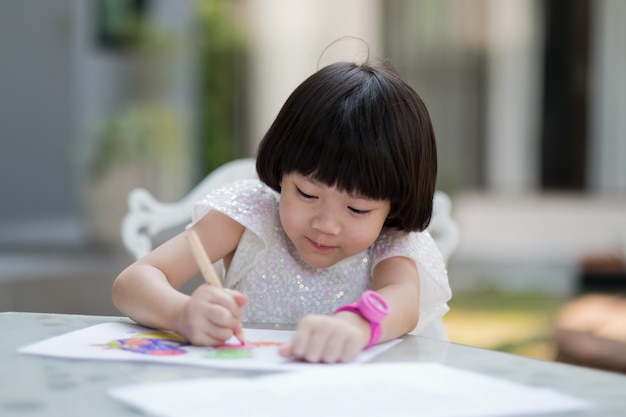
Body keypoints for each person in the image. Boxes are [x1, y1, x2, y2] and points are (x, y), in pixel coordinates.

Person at [112, 59, 452, 363]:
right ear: (282, 171)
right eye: (306, 193)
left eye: (357, 209)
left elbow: (404, 302)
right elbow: (131, 283)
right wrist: (182, 313)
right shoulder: (250, 214)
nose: (327, 225)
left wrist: (358, 324)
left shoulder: (390, 240)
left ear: (394, 205)